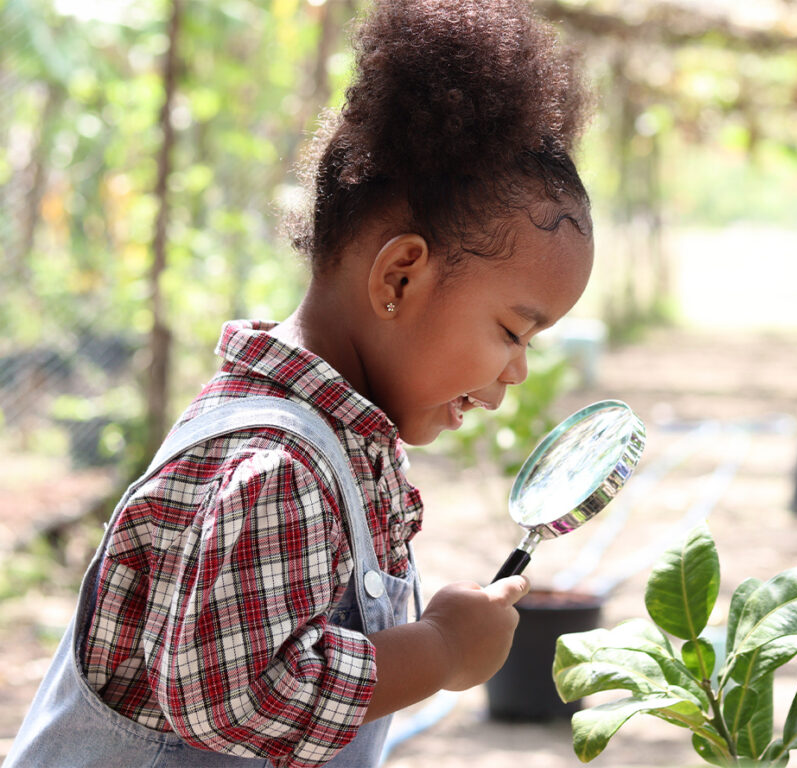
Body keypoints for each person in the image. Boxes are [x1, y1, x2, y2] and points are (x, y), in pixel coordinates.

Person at [5, 0, 594, 766]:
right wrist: (440, 651)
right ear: (401, 276)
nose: (516, 369)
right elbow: (236, 695)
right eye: (513, 332)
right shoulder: (278, 465)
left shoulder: (336, 443)